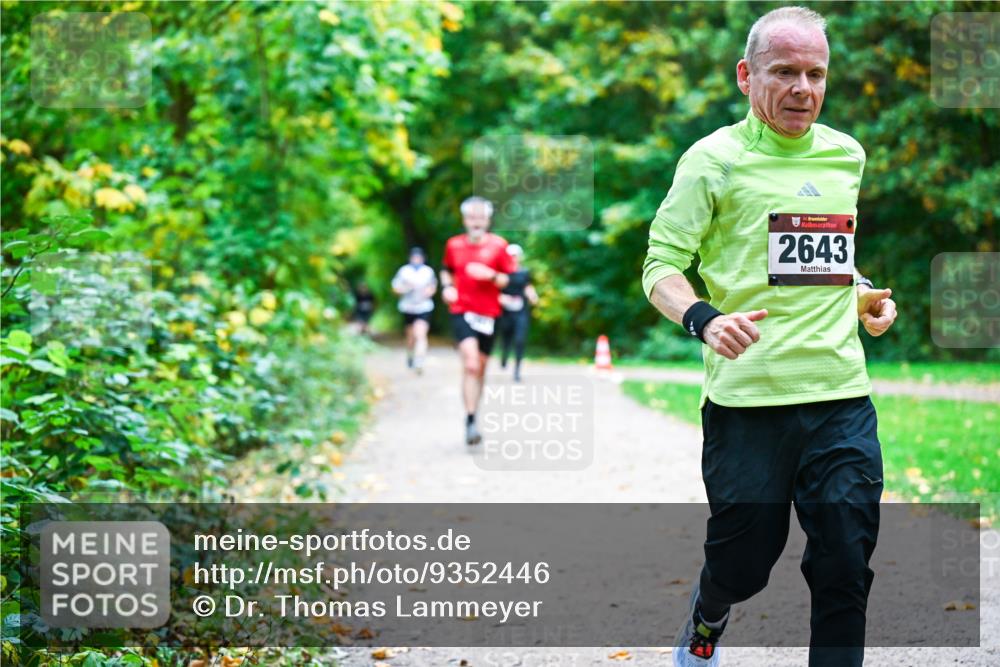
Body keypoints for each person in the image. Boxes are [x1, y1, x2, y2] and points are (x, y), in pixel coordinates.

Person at [641, 7, 898, 667]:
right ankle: (708, 612)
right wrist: (704, 318)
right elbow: (661, 266)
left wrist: (864, 294)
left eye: (815, 73)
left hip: (839, 393)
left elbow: (826, 258)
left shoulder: (846, 155)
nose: (802, 89)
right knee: (743, 562)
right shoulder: (713, 161)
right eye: (784, 72)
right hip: (747, 402)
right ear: (745, 75)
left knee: (845, 556)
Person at [440, 196, 515, 445]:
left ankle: (474, 412)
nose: (476, 222)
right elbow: (446, 270)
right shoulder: (453, 245)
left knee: (480, 367)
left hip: (490, 314)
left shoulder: (499, 246)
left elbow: (511, 282)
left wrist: (491, 275)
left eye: (480, 217)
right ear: (464, 219)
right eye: (471, 217)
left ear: (488, 219)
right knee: (471, 364)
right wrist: (447, 287)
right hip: (462, 310)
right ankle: (470, 420)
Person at [391, 247, 437, 374]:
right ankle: (410, 355)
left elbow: (432, 287)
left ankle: (419, 361)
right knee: (411, 337)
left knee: (421, 334)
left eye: (419, 257)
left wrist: (428, 292)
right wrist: (405, 288)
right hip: (408, 307)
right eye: (414, 257)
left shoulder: (427, 271)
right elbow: (395, 288)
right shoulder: (404, 271)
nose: (416, 260)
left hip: (423, 307)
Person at [497, 244, 539, 382]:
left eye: (515, 256)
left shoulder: (524, 272)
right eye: (510, 256)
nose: (513, 258)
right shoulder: (501, 273)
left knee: (520, 339)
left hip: (520, 311)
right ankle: (504, 356)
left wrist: (533, 296)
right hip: (505, 312)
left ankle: (517, 371)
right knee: (506, 338)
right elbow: (495, 290)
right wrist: (501, 298)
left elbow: (527, 286)